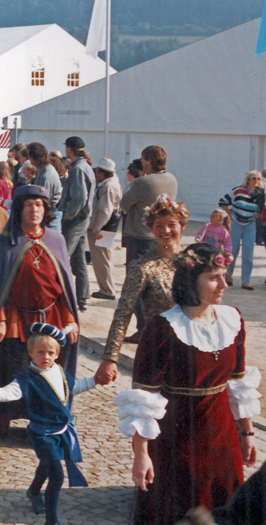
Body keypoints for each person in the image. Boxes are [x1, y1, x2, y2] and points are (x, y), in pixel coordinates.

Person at [115, 242, 259, 525]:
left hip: (222, 441)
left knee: (223, 515)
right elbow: (144, 400)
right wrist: (141, 455)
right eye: (213, 277)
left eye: (224, 275)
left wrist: (246, 432)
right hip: (176, 443)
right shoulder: (163, 328)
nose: (223, 284)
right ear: (192, 281)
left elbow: (238, 383)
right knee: (175, 515)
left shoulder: (233, 320)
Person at [0, 184, 79, 441]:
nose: (34, 210)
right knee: (13, 371)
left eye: (39, 205)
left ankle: (45, 424)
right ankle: (2, 422)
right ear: (19, 210)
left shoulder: (55, 240)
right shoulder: (5, 243)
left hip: (50, 317)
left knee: (48, 373)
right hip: (15, 319)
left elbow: (65, 285)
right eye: (28, 205)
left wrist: (70, 318)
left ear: (45, 209)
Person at [0, 323, 95, 525]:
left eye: (50, 352)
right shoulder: (26, 379)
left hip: (61, 431)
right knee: (57, 475)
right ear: (30, 353)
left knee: (47, 464)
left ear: (57, 354)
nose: (45, 356)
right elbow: (9, 393)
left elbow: (75, 387)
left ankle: (34, 491)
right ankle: (51, 523)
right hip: (41, 434)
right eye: (40, 352)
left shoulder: (60, 373)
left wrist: (95, 380)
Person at [95, 195, 189, 385]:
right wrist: (110, 358)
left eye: (172, 224)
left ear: (182, 226)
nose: (166, 231)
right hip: (158, 349)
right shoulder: (142, 267)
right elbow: (123, 312)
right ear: (151, 229)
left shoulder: (196, 261)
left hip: (192, 348)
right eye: (159, 225)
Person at [119, 146, 178, 341]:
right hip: (160, 237)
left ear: (149, 161)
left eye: (144, 159)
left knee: (136, 284)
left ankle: (143, 328)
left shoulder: (142, 182)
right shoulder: (171, 179)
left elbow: (124, 204)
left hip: (140, 235)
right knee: (156, 284)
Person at [59, 137, 95, 312]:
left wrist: (68, 214)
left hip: (75, 219)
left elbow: (79, 197)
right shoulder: (84, 166)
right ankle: (82, 297)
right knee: (79, 260)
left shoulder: (78, 168)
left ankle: (62, 296)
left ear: (70, 149)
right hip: (82, 219)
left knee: (63, 256)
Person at [219, 170, 264, 290]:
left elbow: (262, 207)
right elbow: (223, 202)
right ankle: (228, 275)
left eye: (258, 179)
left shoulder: (260, 194)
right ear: (248, 179)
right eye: (253, 178)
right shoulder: (238, 190)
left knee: (248, 253)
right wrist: (230, 216)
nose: (256, 181)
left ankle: (246, 281)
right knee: (232, 251)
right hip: (236, 223)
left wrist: (257, 216)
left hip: (250, 224)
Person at [87, 157, 122, 301]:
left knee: (101, 258)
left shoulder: (107, 187)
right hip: (108, 226)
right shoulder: (111, 183)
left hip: (103, 227)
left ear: (102, 172)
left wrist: (97, 228)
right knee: (104, 257)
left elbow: (105, 210)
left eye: (97, 171)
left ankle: (107, 289)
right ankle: (107, 287)